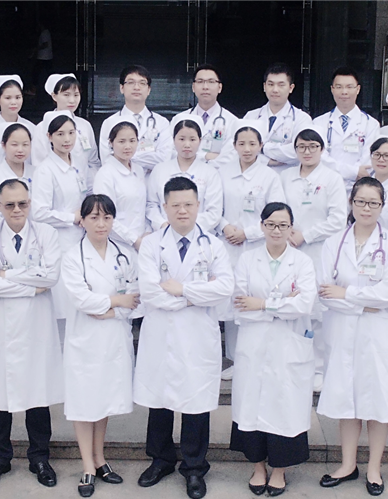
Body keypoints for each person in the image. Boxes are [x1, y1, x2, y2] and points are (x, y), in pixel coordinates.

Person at [134, 177, 234, 499]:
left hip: (197, 335)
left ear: (198, 206)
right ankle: (161, 460)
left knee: (196, 402)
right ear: (164, 207)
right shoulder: (151, 245)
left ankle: (194, 468)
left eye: (188, 204)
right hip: (161, 333)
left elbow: (225, 288)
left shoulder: (213, 245)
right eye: (175, 205)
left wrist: (183, 290)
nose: (182, 211)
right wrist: (195, 297)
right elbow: (150, 292)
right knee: (159, 401)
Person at [316, 177, 388, 496]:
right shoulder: (333, 243)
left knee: (378, 399)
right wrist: (364, 303)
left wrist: (347, 295)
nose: (366, 208)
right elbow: (325, 293)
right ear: (351, 203)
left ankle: (374, 469)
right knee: (347, 397)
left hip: (378, 335)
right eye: (361, 201)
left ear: (382, 206)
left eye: (373, 203)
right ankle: (347, 465)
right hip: (342, 332)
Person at [0, 179, 63, 489]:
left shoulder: (47, 234)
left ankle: (40, 458)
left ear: (30, 203)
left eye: (22, 203)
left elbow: (50, 276)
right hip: (1, 327)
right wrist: (30, 286)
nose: (17, 210)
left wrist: (7, 275)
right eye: (10, 204)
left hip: (36, 326)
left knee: (38, 396)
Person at [230, 202, 316, 496]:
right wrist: (283, 305)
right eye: (271, 224)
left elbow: (304, 304)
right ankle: (258, 467)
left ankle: (279, 470)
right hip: (254, 343)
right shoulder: (247, 260)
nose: (277, 230)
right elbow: (240, 304)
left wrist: (263, 304)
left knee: (284, 406)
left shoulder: (302, 262)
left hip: (288, 346)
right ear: (262, 226)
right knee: (251, 405)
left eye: (283, 225)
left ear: (291, 228)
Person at [61, 194, 141, 497]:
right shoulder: (73, 257)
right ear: (82, 221)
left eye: (107, 217)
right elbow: (82, 300)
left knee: (104, 399)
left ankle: (100, 458)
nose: (101, 223)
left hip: (113, 338)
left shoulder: (125, 255)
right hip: (85, 340)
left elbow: (135, 297)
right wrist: (116, 302)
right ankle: (87, 466)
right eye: (94, 217)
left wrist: (110, 309)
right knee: (84, 402)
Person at [217, 120, 286, 380]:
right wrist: (225, 227)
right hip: (226, 244)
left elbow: (277, 213)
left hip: (257, 244)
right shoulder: (222, 173)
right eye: (242, 143)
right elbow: (213, 207)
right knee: (231, 301)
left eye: (252, 144)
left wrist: (247, 232)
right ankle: (235, 358)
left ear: (261, 146)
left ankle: (260, 357)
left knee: (255, 299)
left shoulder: (269, 176)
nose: (247, 149)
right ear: (234, 145)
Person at [279, 127, 347, 392]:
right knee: (288, 304)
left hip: (318, 251)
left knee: (316, 311)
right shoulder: (285, 177)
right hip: (287, 248)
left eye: (312, 147)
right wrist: (286, 233)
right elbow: (277, 209)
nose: (307, 152)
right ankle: (291, 364)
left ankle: (318, 368)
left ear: (321, 149)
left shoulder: (332, 178)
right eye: (302, 147)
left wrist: (306, 235)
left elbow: (338, 220)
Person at [32, 113, 89, 338]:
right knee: (62, 305)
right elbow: (39, 212)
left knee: (80, 301)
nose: (67, 139)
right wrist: (71, 218)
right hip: (59, 242)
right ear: (49, 137)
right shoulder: (45, 170)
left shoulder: (79, 164)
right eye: (60, 134)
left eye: (71, 133)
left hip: (81, 239)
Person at [146, 114, 223, 235]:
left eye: (192, 139)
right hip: (164, 233)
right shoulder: (159, 170)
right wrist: (163, 225)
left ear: (200, 141)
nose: (187, 144)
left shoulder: (210, 173)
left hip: (199, 235)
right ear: (173, 140)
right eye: (181, 139)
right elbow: (151, 205)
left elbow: (214, 212)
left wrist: (187, 227)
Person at [313, 67, 380, 194]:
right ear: (332, 89)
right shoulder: (319, 123)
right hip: (326, 187)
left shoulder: (371, 124)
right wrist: (354, 172)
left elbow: (369, 161)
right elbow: (319, 157)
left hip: (358, 190)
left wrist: (354, 174)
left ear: (358, 89)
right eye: (339, 87)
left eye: (349, 87)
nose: (344, 92)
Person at [98, 65, 172, 174]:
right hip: (120, 182)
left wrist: (126, 156)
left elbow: (164, 159)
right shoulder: (109, 123)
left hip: (151, 182)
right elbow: (107, 160)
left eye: (142, 83)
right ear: (121, 88)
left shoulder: (162, 123)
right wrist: (148, 157)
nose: (136, 87)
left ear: (149, 90)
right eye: (131, 82)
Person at [242, 63, 313, 173]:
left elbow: (299, 151)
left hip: (287, 178)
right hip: (255, 176)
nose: (275, 90)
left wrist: (263, 148)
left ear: (291, 88)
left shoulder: (302, 119)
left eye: (281, 85)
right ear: (264, 87)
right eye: (270, 84)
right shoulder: (251, 116)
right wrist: (267, 161)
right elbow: (241, 149)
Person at [164, 65, 239, 167]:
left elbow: (230, 158)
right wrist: (206, 156)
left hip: (217, 175)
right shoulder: (179, 119)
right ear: (193, 87)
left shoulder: (232, 121)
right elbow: (170, 153)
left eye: (211, 82)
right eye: (200, 81)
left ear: (220, 87)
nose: (205, 87)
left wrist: (190, 157)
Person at [92, 118, 148, 251]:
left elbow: (142, 208)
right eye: (121, 141)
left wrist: (147, 233)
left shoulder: (138, 170)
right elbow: (105, 216)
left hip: (142, 242)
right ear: (111, 143)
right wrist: (134, 240)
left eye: (132, 141)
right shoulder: (105, 174)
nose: (127, 146)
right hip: (116, 244)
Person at [34, 74, 100, 184]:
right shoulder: (42, 127)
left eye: (76, 95)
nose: (72, 100)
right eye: (66, 95)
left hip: (85, 186)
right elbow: (38, 163)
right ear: (54, 96)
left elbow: (93, 161)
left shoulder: (85, 125)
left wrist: (91, 183)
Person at [0, 75, 38, 172]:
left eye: (18, 97)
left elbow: (36, 163)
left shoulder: (31, 128)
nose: (13, 102)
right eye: (8, 98)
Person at [0, 123, 35, 231]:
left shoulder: (37, 173)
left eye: (25, 144)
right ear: (3, 145)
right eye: (14, 145)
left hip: (36, 236)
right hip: (2, 237)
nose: (20, 150)